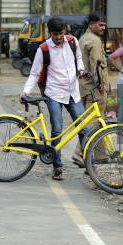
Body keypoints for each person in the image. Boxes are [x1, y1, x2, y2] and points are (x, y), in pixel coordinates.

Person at [21, 17, 88, 181]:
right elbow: (35, 73)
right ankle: (57, 166)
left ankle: (89, 164)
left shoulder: (72, 42)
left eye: (61, 33)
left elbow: (79, 58)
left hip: (73, 92)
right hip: (54, 94)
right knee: (57, 131)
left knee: (84, 128)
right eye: (55, 34)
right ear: (50, 33)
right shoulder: (43, 49)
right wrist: (25, 91)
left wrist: (80, 70)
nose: (58, 37)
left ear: (65, 31)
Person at [77, 12, 110, 167]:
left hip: (84, 86)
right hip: (94, 87)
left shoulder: (84, 38)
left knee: (98, 119)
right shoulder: (95, 41)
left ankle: (100, 155)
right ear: (91, 24)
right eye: (100, 24)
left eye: (104, 24)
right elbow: (97, 66)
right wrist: (102, 86)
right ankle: (79, 153)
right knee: (94, 121)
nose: (103, 27)